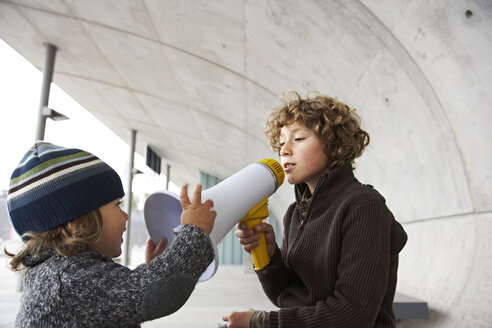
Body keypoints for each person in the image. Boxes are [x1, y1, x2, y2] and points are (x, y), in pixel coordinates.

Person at [222, 91, 408, 328]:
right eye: (281, 143)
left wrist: (261, 322)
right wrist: (269, 258)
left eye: (298, 139)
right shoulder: (294, 213)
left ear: (335, 146)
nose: (284, 150)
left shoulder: (363, 207)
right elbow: (286, 296)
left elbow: (353, 315)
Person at [5, 141, 216, 327]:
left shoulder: (60, 272)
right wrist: (194, 232)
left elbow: (120, 302)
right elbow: (156, 294)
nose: (125, 215)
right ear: (80, 222)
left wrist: (154, 269)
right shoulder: (67, 279)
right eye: (117, 205)